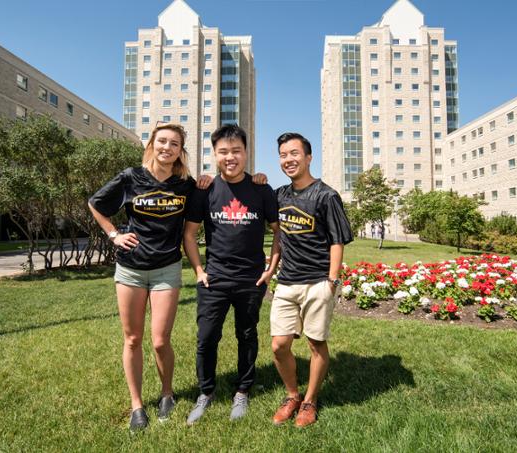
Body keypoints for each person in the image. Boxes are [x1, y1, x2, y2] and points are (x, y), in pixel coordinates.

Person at [89, 123, 208, 431]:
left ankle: (167, 392)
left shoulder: (186, 185)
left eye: (174, 144)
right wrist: (114, 234)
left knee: (159, 340)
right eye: (162, 141)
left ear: (181, 151)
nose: (167, 147)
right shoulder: (131, 177)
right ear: (153, 145)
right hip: (130, 268)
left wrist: (208, 180)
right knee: (132, 338)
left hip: (167, 268)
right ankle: (137, 405)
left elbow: (208, 196)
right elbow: (96, 204)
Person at [183, 124, 280, 425]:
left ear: (246, 152)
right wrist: (199, 270)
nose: (230, 157)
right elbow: (189, 234)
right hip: (214, 279)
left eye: (236, 151)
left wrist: (270, 269)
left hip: (251, 280)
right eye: (223, 152)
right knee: (207, 337)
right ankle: (206, 392)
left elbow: (279, 233)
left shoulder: (262, 190)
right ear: (214, 154)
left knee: (247, 335)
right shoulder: (206, 189)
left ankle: (243, 390)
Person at [269, 132, 353, 427]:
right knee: (279, 345)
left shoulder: (326, 195)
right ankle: (293, 394)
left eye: (294, 153)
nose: (288, 160)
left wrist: (331, 281)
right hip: (287, 282)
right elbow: (277, 233)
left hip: (318, 281)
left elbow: (337, 240)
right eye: (282, 155)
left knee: (316, 344)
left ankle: (310, 401)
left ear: (308, 157)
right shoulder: (279, 195)